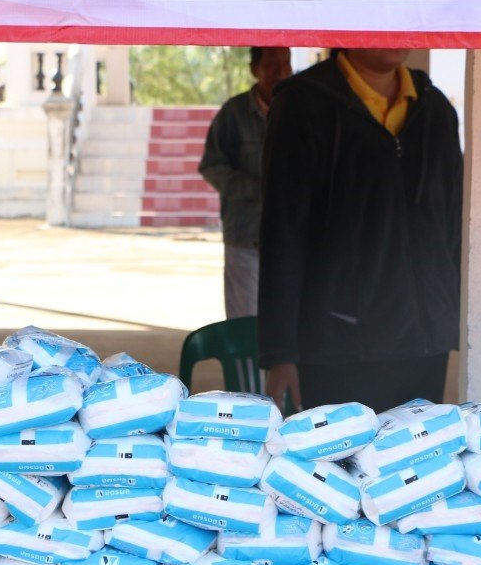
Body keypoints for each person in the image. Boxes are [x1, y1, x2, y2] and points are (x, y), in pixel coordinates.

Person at [259, 49, 463, 412]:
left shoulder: (435, 108)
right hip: (336, 340)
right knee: (341, 449)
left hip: (423, 340)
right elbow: (283, 232)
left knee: (416, 448)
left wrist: (448, 316)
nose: (393, 32)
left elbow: (452, 225)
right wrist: (280, 351)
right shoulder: (302, 104)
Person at [198, 46, 292, 319]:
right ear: (254, 69)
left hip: (291, 239)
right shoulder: (233, 113)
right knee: (244, 323)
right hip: (245, 236)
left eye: (286, 63)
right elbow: (212, 165)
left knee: (287, 323)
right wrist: (256, 189)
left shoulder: (300, 111)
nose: (281, 71)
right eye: (272, 64)